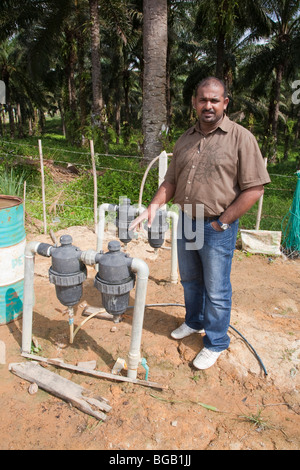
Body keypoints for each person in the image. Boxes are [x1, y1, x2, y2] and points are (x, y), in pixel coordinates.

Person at [129, 77, 271, 370]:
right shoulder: (186, 138)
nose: (208, 105)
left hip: (216, 226)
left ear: (225, 103)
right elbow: (171, 181)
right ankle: (193, 321)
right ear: (195, 103)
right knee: (190, 280)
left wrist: (223, 222)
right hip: (188, 221)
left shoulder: (241, 138)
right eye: (203, 100)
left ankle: (216, 341)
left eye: (214, 100)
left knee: (217, 289)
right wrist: (152, 207)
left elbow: (255, 188)